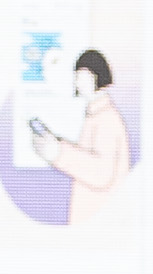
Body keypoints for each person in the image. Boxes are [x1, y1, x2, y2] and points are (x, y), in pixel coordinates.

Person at [26, 48, 130, 226]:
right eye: (76, 78)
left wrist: (58, 152)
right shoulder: (96, 114)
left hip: (101, 222)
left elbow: (102, 173)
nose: (77, 83)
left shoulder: (106, 119)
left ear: (97, 78)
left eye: (82, 78)